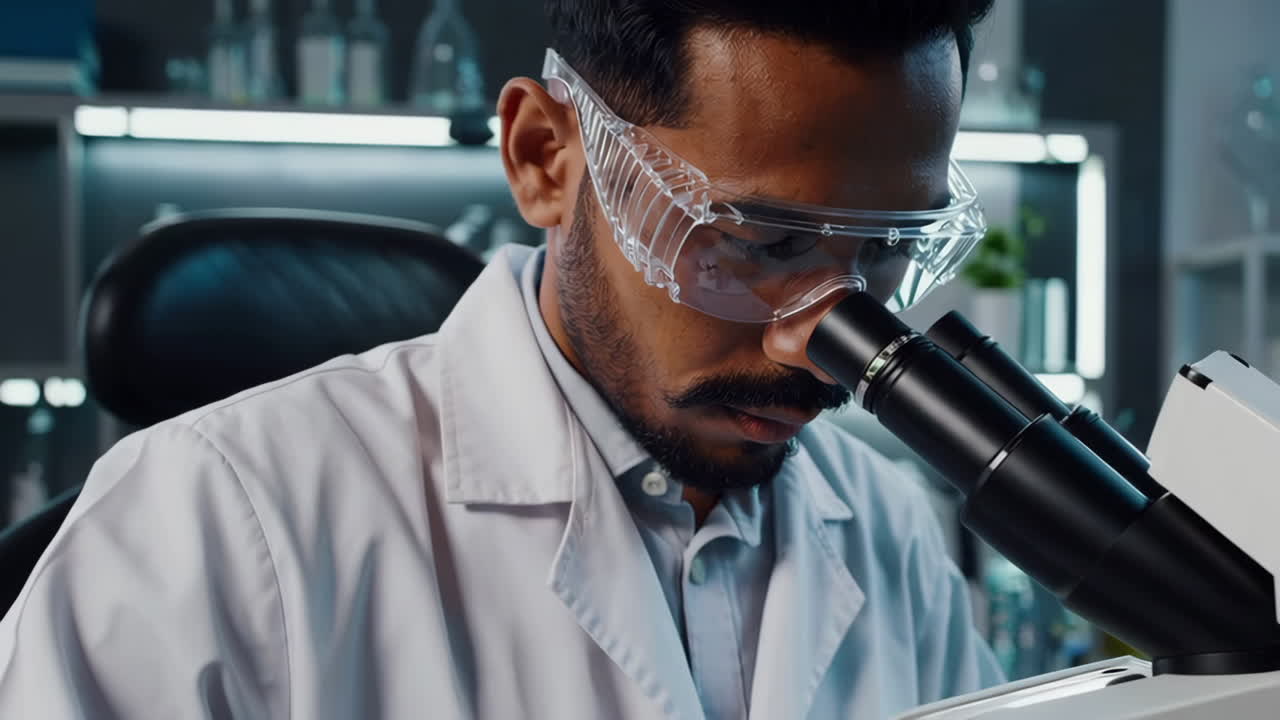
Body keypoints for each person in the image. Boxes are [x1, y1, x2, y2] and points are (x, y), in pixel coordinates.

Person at [0, 1, 1004, 717]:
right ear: (544, 156)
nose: (820, 345)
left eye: (884, 250)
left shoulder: (884, 527)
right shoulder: (212, 520)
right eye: (757, 244)